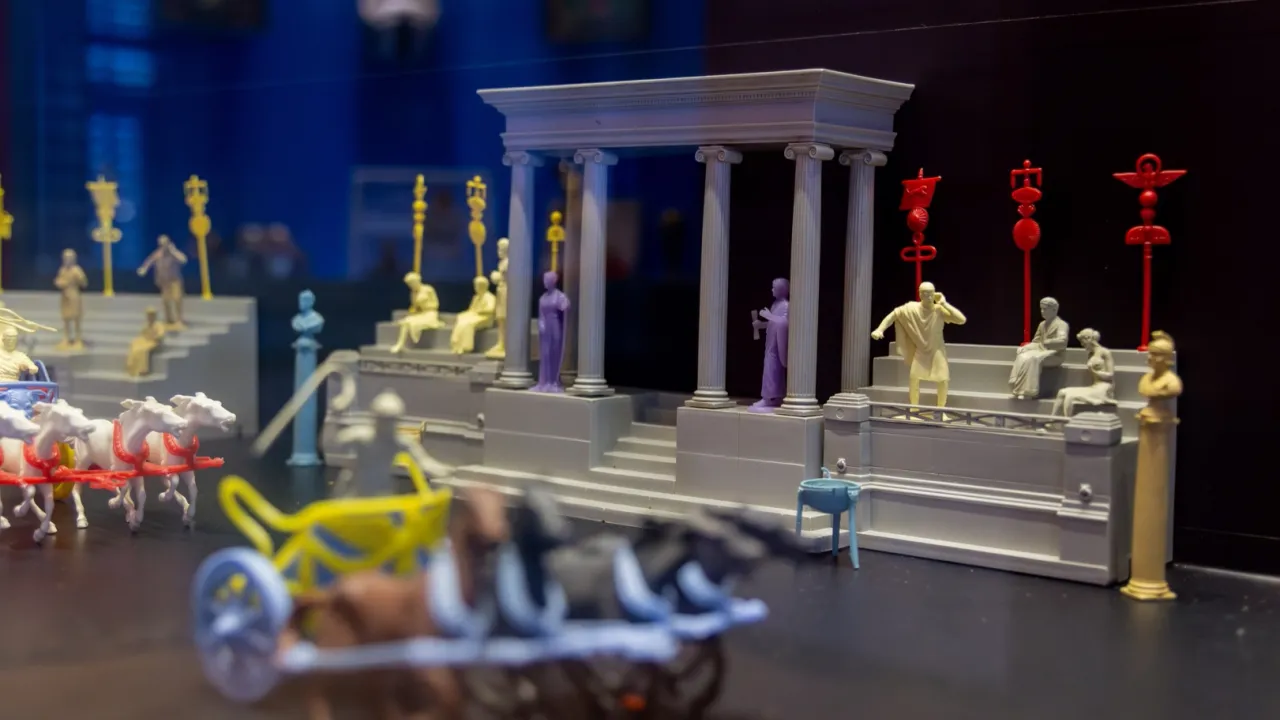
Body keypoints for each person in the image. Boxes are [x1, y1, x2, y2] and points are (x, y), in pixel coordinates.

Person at [871, 281, 967, 408]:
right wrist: (880, 329)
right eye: (925, 293)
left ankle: (941, 410)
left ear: (935, 294)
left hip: (937, 351)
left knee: (943, 380)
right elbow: (893, 315)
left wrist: (944, 303)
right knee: (914, 378)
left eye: (931, 293)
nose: (928, 296)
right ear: (920, 294)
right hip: (921, 351)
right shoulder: (911, 308)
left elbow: (961, 320)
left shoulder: (939, 310)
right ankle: (914, 408)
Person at [1009, 297, 1069, 399]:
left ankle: (1029, 390)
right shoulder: (1042, 325)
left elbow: (1062, 342)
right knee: (1022, 355)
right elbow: (1036, 342)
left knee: (1034, 359)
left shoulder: (1062, 325)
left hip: (1056, 354)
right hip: (1041, 351)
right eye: (1041, 309)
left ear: (1054, 309)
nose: (1042, 311)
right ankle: (1015, 383)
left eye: (1045, 309)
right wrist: (1026, 347)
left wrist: (1047, 342)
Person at [1052, 329, 1116, 417]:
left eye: (1083, 342)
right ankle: (1052, 420)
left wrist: (1095, 372)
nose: (1082, 345)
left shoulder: (1105, 352)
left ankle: (1068, 422)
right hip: (1094, 386)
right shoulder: (1091, 354)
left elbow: (1110, 375)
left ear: (1088, 339)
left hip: (1104, 388)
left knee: (1070, 396)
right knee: (1062, 392)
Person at [749, 278, 790, 412]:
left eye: (774, 288)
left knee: (772, 370)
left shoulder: (786, 305)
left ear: (781, 290)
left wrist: (768, 316)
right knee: (770, 369)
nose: (772, 290)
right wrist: (761, 324)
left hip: (777, 345)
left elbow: (784, 323)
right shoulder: (775, 304)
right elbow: (774, 323)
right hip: (771, 343)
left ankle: (769, 397)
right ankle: (774, 397)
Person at [137, 235, 188, 329]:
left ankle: (179, 319)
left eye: (164, 244)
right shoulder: (158, 253)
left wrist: (173, 251)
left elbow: (183, 260)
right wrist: (144, 269)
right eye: (161, 244)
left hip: (174, 280)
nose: (163, 246)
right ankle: (169, 319)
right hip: (164, 281)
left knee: (177, 299)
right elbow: (150, 261)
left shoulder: (174, 254)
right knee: (166, 300)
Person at [533, 271, 570, 392]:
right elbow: (541, 315)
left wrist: (565, 305)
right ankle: (543, 381)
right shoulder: (542, 298)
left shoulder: (559, 296)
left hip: (555, 325)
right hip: (545, 327)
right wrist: (541, 324)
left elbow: (565, 306)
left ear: (553, 281)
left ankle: (553, 381)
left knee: (554, 352)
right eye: (544, 280)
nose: (545, 282)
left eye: (547, 280)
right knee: (545, 353)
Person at [389, 272, 443, 354]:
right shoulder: (413, 293)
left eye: (412, 283)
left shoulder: (428, 289)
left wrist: (426, 304)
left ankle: (400, 345)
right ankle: (400, 344)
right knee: (406, 322)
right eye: (409, 284)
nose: (411, 286)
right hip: (421, 314)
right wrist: (414, 309)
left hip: (430, 314)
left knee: (412, 323)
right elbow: (415, 307)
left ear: (417, 281)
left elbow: (436, 304)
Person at [449, 275, 496, 355]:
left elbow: (490, 309)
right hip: (475, 315)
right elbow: (471, 309)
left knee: (468, 324)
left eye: (477, 286)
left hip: (485, 317)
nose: (475, 288)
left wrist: (479, 311)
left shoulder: (489, 297)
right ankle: (457, 344)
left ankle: (466, 346)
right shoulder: (476, 297)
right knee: (461, 320)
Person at [54, 249, 89, 350]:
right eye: (65, 258)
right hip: (65, 296)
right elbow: (58, 279)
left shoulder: (77, 270)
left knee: (76, 318)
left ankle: (78, 339)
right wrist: (59, 283)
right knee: (66, 318)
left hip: (74, 295)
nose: (67, 260)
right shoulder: (62, 270)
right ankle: (66, 338)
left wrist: (80, 278)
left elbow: (84, 283)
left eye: (69, 258)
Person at [484, 238, 510, 359]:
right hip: (501, 290)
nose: (499, 251)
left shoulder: (508, 263)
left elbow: (507, 278)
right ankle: (501, 343)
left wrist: (497, 277)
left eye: (502, 249)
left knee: (504, 317)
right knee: (500, 318)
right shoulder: (502, 262)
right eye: (499, 249)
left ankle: (505, 343)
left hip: (506, 291)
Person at [124, 307, 166, 377]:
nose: (150, 317)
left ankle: (144, 369)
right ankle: (132, 366)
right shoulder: (146, 325)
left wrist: (153, 337)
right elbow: (142, 334)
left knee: (143, 350)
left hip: (155, 342)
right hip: (146, 341)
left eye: (151, 315)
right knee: (134, 345)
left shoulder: (159, 325)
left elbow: (160, 335)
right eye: (149, 315)